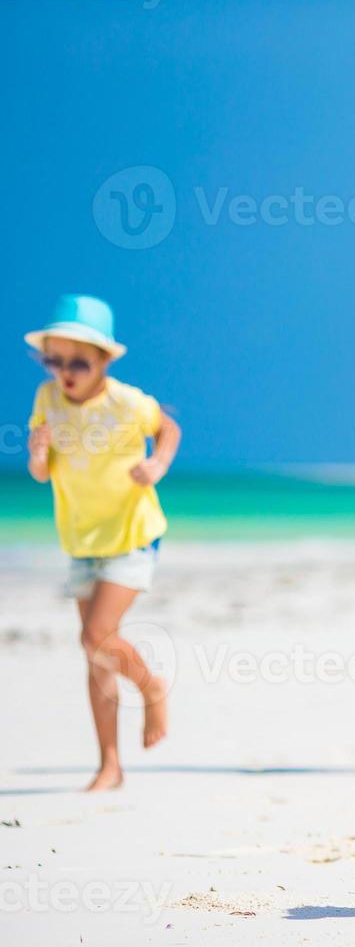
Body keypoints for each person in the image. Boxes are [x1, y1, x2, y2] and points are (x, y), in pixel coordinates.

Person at [25, 294, 180, 792]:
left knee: (96, 638)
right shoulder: (47, 401)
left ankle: (152, 686)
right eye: (55, 360)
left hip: (131, 534)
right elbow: (40, 473)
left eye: (78, 362)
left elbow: (168, 427)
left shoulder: (127, 402)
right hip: (81, 539)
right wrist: (37, 454)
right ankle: (109, 765)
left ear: (104, 361)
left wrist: (156, 465)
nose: (65, 372)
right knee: (96, 654)